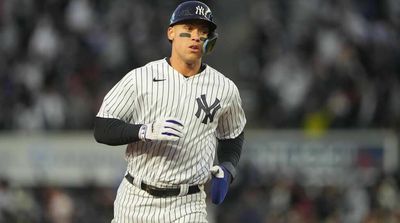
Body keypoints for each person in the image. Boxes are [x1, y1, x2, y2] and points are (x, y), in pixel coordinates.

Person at [94, 1, 246, 222]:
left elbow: (233, 133)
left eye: (203, 32)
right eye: (189, 29)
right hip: (136, 198)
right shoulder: (141, 78)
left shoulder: (225, 88)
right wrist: (143, 130)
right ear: (171, 32)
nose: (196, 37)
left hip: (188, 203)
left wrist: (228, 166)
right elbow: (102, 128)